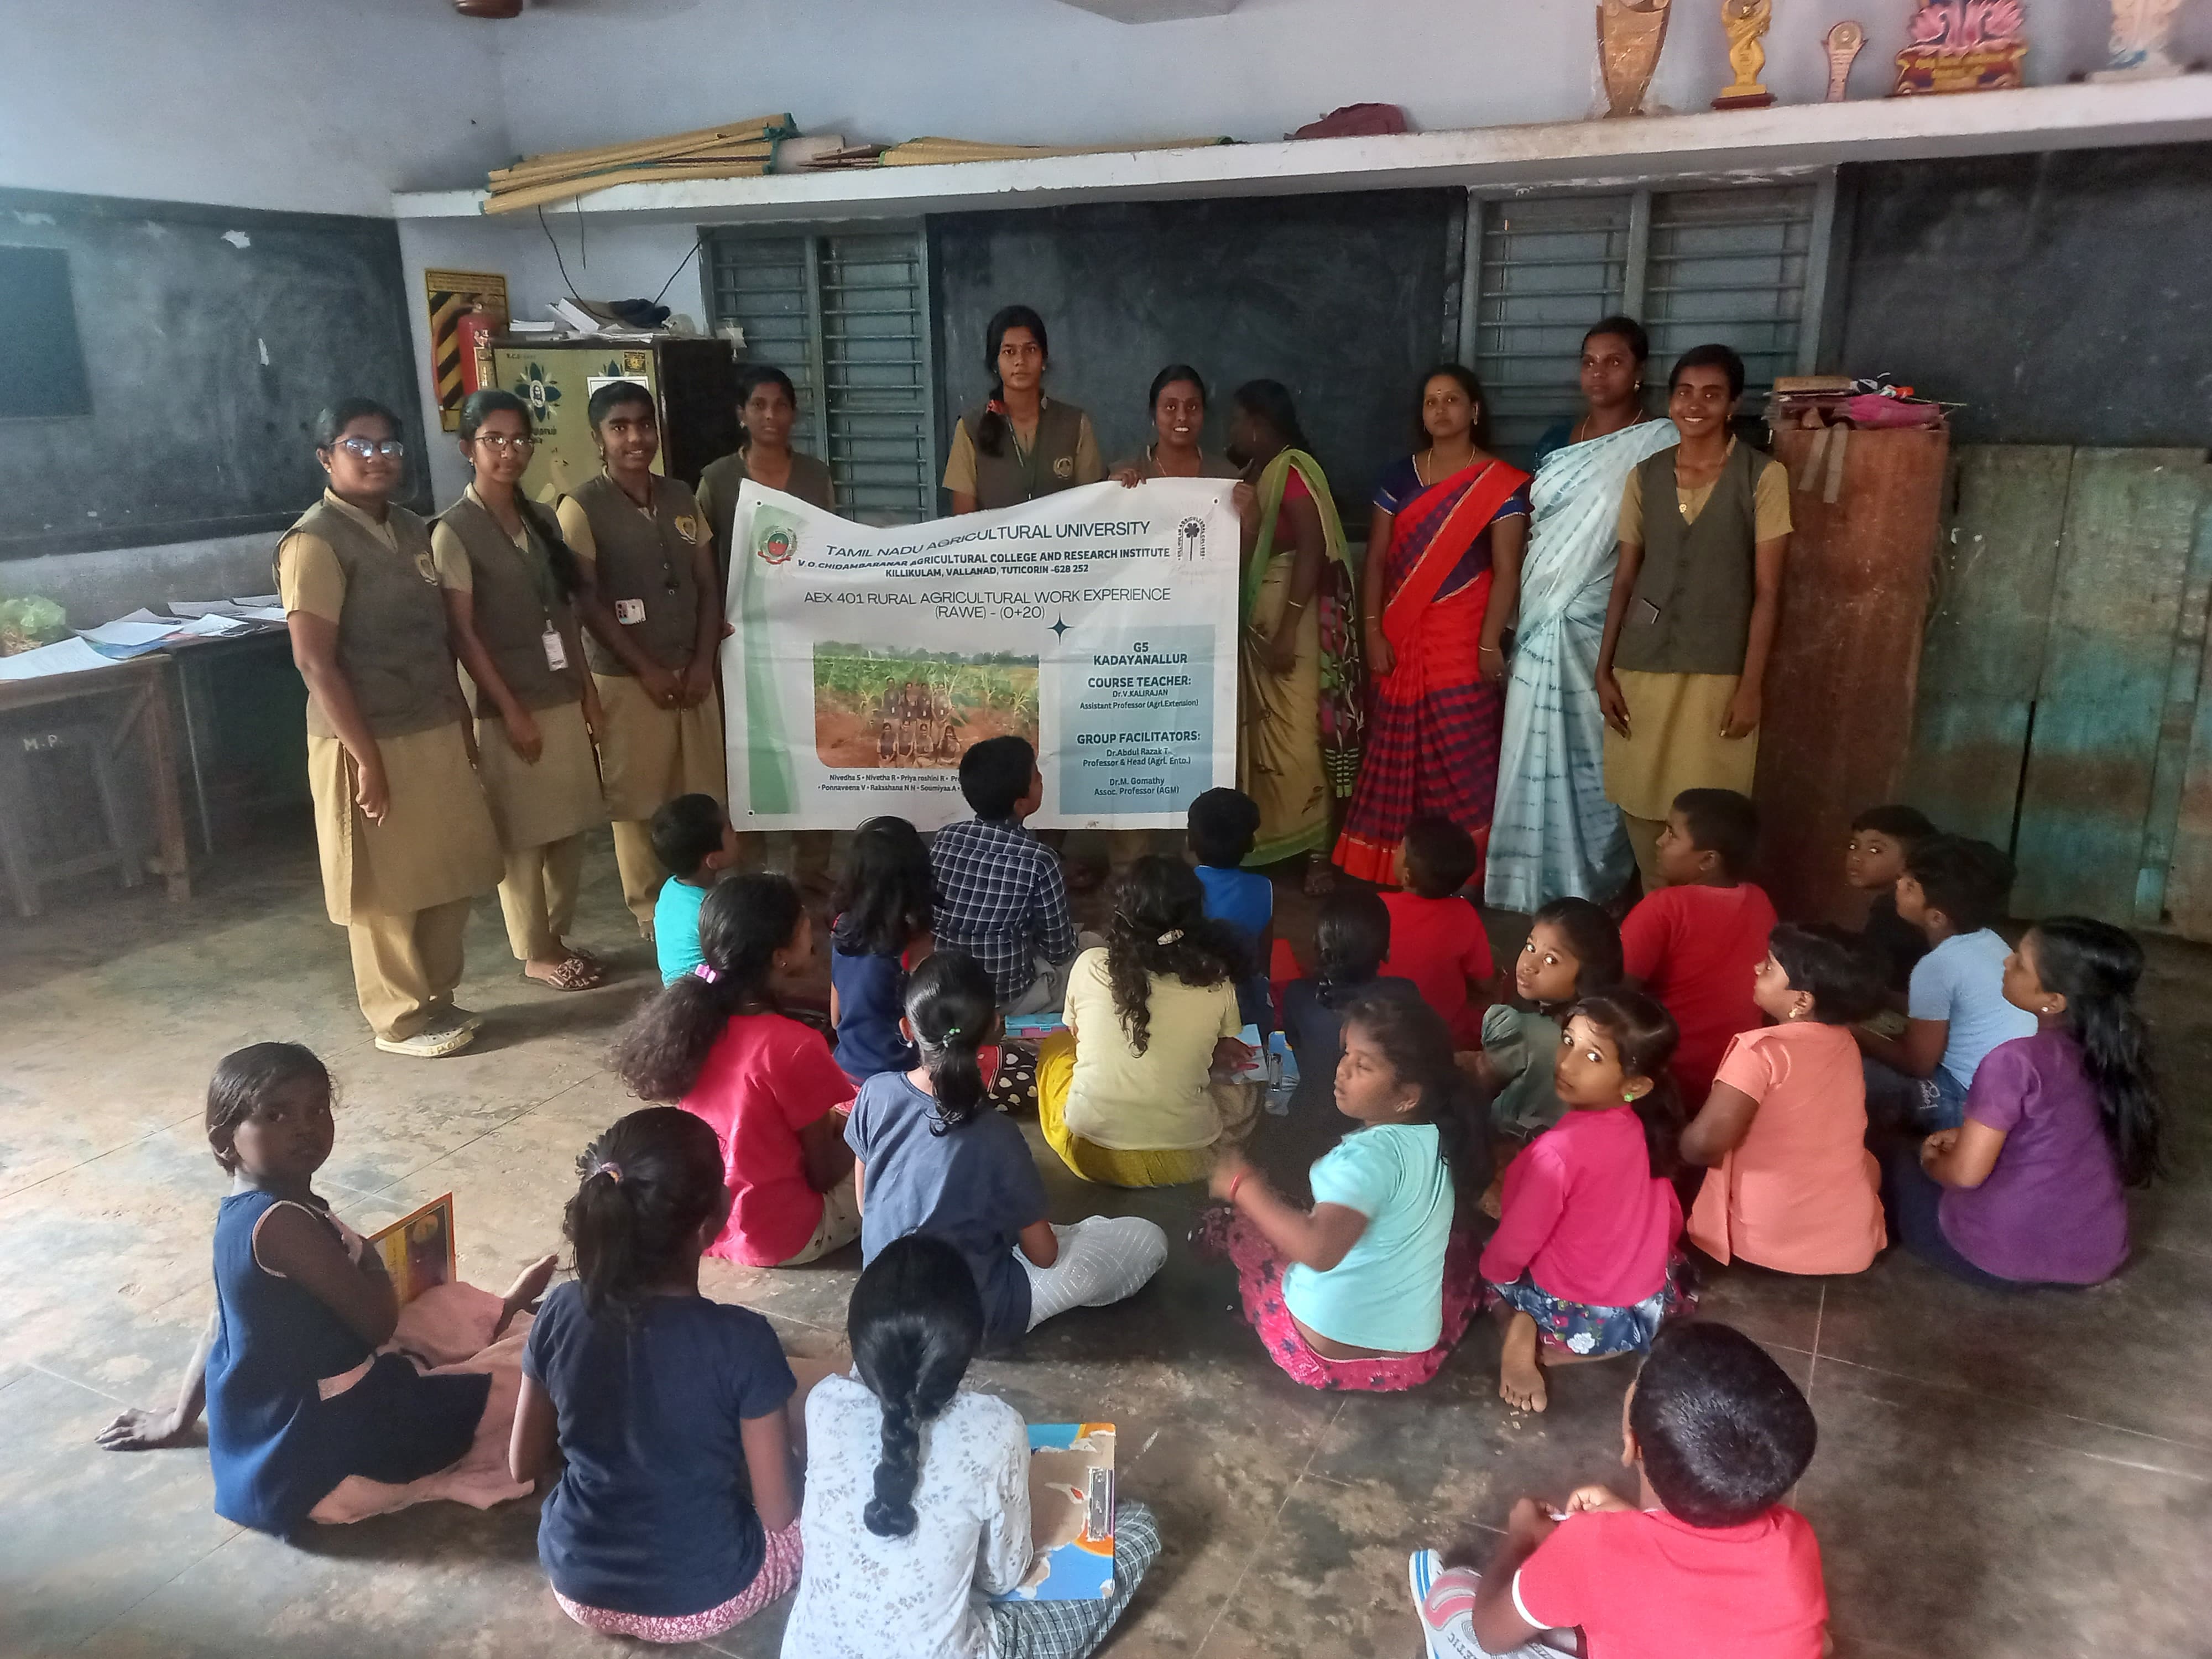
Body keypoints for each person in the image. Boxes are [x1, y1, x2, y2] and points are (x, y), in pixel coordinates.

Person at [97, 1044, 554, 1531]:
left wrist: (177, 1420)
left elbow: (219, 1329)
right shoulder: (282, 1224)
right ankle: (511, 1326)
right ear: (226, 1141)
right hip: (329, 1454)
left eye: (317, 1109)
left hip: (281, 1438)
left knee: (445, 1305)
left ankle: (503, 1314)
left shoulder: (255, 1207)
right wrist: (370, 1257)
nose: (305, 1128)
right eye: (277, 1115)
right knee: (537, 1372)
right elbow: (378, 1326)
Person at [780, 1235, 1161, 1659]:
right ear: (969, 1341)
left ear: (858, 1336)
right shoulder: (996, 1427)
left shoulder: (825, 1404)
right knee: (1137, 1528)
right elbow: (1002, 1578)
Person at [510, 1107, 806, 1642]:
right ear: (714, 1220)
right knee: (831, 1502)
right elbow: (778, 1513)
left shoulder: (560, 1309)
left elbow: (522, 1465)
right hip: (704, 1598)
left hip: (578, 1583)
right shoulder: (743, 1340)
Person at [278, 399, 503, 1057]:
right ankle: (399, 1019)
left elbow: (437, 636)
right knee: (385, 887)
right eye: (359, 445)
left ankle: (437, 996)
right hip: (364, 736)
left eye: (389, 447)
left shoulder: (409, 529)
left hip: (430, 723)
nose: (377, 458)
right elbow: (314, 661)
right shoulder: (315, 542)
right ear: (326, 458)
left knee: (446, 868)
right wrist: (366, 758)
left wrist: (459, 717)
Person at [1411, 1321, 1827, 1659]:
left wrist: (1520, 1535)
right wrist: (1631, 1520)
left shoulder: (1589, 1548)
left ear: (1633, 1442)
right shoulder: (1794, 1537)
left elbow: (1489, 1633)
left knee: (1452, 1596)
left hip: (1558, 1586)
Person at [846, 952, 1168, 1350]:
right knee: (1148, 1240)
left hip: (882, 1312)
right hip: (974, 1322)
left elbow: (866, 1207)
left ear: (907, 1028)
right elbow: (1045, 1256)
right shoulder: (997, 1135)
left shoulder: (873, 1095)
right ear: (995, 1026)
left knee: (1037, 1229)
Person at [1203, 990, 1486, 1392]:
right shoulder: (1437, 1138)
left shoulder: (1363, 1159)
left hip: (1321, 1352)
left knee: (1250, 1234)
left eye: (1363, 1065)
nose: (1343, 1070)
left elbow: (1319, 1251)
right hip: (1410, 1359)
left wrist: (1243, 1186)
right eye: (1347, 1054)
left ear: (1407, 1097)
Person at [1488, 317, 1678, 912]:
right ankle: (1526, 882)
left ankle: (1592, 883)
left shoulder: (1662, 441)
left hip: (1605, 618)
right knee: (1528, 744)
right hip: (1541, 613)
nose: (1598, 374)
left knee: (1596, 754)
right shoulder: (1556, 441)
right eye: (1589, 361)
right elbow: (1537, 530)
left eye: (1613, 361)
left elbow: (1657, 542)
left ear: (1639, 371)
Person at [1595, 344, 1792, 891]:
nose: (1695, 405)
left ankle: (1702, 919)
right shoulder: (1645, 476)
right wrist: (1603, 670)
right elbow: (1625, 579)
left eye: (1711, 394)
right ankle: (1657, 909)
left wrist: (1750, 686)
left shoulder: (1762, 477)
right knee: (1640, 799)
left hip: (1718, 672)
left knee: (1709, 814)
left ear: (1733, 404)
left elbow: (1769, 590)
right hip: (1641, 665)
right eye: (1684, 392)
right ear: (1670, 400)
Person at [431, 389, 609, 994]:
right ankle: (534, 950)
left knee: (569, 825)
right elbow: (462, 632)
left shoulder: (540, 518)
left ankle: (556, 935)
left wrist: (586, 692)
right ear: (468, 449)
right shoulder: (454, 532)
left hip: (559, 691)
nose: (509, 452)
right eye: (494, 440)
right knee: (524, 836)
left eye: (519, 439)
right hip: (505, 704)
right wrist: (510, 711)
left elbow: (565, 614)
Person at [1335, 366, 1530, 891]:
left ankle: (1465, 874)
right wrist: (1372, 632)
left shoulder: (1499, 482)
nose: (1441, 410)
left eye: (1452, 400)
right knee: (1399, 751)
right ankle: (1399, 868)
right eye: (1431, 402)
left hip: (1463, 640)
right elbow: (1377, 560)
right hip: (1399, 636)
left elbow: (1507, 571)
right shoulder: (1399, 477)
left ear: (1475, 410)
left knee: (1465, 755)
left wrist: (1489, 642)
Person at [1891, 916, 2161, 1287]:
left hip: (2001, 1256)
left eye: (2019, 963)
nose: (2006, 962)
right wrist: (1969, 1138)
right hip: (2094, 1256)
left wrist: (1931, 1160)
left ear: (2053, 1001)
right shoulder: (2112, 1055)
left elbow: (1965, 1175)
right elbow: (2058, 1134)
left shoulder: (2014, 1061)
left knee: (1896, 1160)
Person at [611, 873, 860, 1266]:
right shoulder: (794, 1044)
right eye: (802, 922)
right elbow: (824, 1173)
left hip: (713, 1224)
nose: (812, 929)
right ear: (780, 955)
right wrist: (869, 1131)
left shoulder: (691, 1025)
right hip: (784, 1236)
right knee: (899, 1134)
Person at [559, 379, 725, 936]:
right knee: (638, 799)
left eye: (645, 425)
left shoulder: (679, 496)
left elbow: (707, 584)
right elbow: (585, 599)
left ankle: (706, 897)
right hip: (627, 678)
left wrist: (702, 660)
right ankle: (651, 909)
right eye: (620, 427)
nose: (636, 438)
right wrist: (645, 669)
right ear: (598, 438)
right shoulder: (581, 507)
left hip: (692, 670)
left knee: (699, 792)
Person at [1481, 994, 1686, 1413]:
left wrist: (1495, 1274)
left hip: (1575, 1312)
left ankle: (1524, 1331)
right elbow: (1668, 1214)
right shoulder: (1643, 1127)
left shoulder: (1557, 1153)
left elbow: (1518, 1239)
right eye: (1568, 1041)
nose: (1567, 1064)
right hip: (1638, 1308)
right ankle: (1577, 1347)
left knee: (1486, 1268)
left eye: (1593, 1057)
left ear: (1635, 1085)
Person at [1680, 924, 1887, 1276]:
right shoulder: (1846, 1043)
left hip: (1766, 1245)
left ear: (1802, 1001)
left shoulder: (1759, 1052)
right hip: (1851, 1245)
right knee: (1864, 1160)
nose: (1757, 967)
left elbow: (1703, 1146)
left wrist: (1673, 1141)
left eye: (1770, 966)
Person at [1037, 857, 1254, 1187]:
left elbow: (1078, 1036)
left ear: (1119, 913)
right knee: (1244, 1092)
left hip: (1090, 1155)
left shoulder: (1090, 964)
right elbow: (1220, 1051)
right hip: (1192, 1159)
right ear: (1195, 917)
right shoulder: (1216, 982)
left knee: (1056, 1048)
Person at [1229, 379, 1366, 884]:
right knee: (1266, 736)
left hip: (1294, 627)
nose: (1231, 429)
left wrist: (1286, 628)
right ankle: (1274, 842)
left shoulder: (1292, 470)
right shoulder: (1257, 475)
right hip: (1259, 628)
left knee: (1302, 736)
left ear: (1258, 424)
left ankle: (1317, 855)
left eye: (1237, 419)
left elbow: (1312, 549)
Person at [1856, 834, 2035, 1132]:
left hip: (1964, 1101)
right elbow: (1943, 1012)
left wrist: (1854, 1031)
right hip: (2005, 1099)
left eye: (1910, 886)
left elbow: (1917, 1064)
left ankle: (1904, 1156)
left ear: (1937, 918)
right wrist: (1885, 997)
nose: (1898, 885)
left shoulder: (1937, 966)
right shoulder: (1990, 941)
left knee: (1855, 1071)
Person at [1619, 788, 1778, 1112]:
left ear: (1708, 860)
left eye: (1672, 834)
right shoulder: (1760, 901)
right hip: (1737, 1084)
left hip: (1666, 1083)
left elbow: (1615, 996)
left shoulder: (1664, 908)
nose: (1659, 842)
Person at [930, 735, 1082, 1014]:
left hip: (947, 987)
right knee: (1095, 952)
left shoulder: (946, 837)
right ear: (1021, 804)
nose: (1042, 780)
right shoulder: (1040, 860)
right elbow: (1059, 950)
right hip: (1006, 997)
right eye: (1037, 777)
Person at [1478, 896, 1625, 1142]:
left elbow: (1479, 1084)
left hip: (1509, 1140)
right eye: (1530, 947)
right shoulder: (1607, 1032)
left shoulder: (1523, 1032)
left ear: (1587, 977)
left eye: (1551, 960)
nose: (1529, 965)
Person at [1279, 888, 1427, 1121]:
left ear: (1317, 947)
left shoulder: (1297, 994)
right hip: (1375, 1116)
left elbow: (1296, 1045)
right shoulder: (1405, 992)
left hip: (1311, 1114)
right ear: (1387, 951)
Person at [943, 304, 1103, 515]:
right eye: (1009, 352)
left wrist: (1118, 487)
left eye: (1031, 350)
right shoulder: (970, 428)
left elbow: (1094, 510)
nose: (1020, 361)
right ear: (995, 364)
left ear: (1044, 360)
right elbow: (964, 521)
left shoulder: (1075, 424)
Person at [695, 363, 836, 577]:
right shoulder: (717, 480)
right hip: (735, 600)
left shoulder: (816, 476)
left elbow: (832, 546)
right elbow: (701, 559)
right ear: (742, 414)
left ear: (794, 414)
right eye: (759, 405)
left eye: (781, 406)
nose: (770, 415)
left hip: (807, 597)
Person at [829, 815, 937, 1084]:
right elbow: (930, 1025)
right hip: (895, 1075)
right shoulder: (915, 940)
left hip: (845, 1068)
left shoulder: (841, 925)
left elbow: (835, 1019)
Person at [1380, 816, 1497, 1047]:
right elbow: (1485, 984)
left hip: (1377, 1025)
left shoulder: (1376, 907)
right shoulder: (1465, 914)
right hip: (1442, 1031)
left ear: (1407, 876)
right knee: (1494, 963)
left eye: (1401, 848)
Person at [1188, 785, 1275, 1033]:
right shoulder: (1264, 888)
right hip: (1245, 1003)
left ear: (1189, 840)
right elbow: (1263, 961)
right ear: (1251, 844)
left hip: (1190, 998)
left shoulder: (1178, 887)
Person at [1846, 802, 1937, 1002]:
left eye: (1875, 850)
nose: (1856, 857)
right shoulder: (1888, 904)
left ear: (1909, 861)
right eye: (1854, 846)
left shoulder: (1893, 911)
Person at [650, 793, 737, 985]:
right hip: (709, 997)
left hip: (674, 995)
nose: (736, 834)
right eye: (730, 829)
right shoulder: (714, 909)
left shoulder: (670, 889)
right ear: (713, 860)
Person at [1112, 363, 1244, 482]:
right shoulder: (1125, 473)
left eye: (1192, 407)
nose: (1182, 417)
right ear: (1153, 413)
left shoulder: (1226, 477)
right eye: (1171, 407)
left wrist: (1249, 503)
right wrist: (1111, 490)